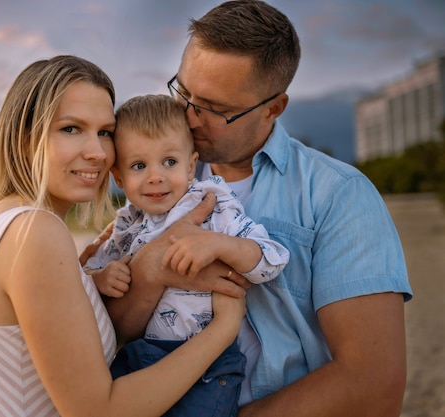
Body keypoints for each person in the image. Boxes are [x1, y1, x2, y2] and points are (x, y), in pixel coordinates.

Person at [94, 2, 413, 416]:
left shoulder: (339, 195)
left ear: (273, 108)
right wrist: (151, 269)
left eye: (215, 108)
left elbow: (373, 385)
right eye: (184, 92)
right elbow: (118, 330)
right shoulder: (157, 184)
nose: (189, 118)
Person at [0, 55, 247, 417]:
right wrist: (223, 330)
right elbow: (99, 411)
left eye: (105, 132)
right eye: (71, 129)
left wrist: (112, 276)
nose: (97, 152)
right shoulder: (34, 231)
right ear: (26, 137)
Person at [84, 94, 289, 416]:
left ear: (192, 164)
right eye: (139, 165)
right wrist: (99, 278)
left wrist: (222, 245)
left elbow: (272, 260)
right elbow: (87, 274)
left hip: (206, 364)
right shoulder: (126, 222)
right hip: (140, 356)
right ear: (119, 177)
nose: (156, 176)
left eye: (170, 162)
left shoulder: (213, 206)